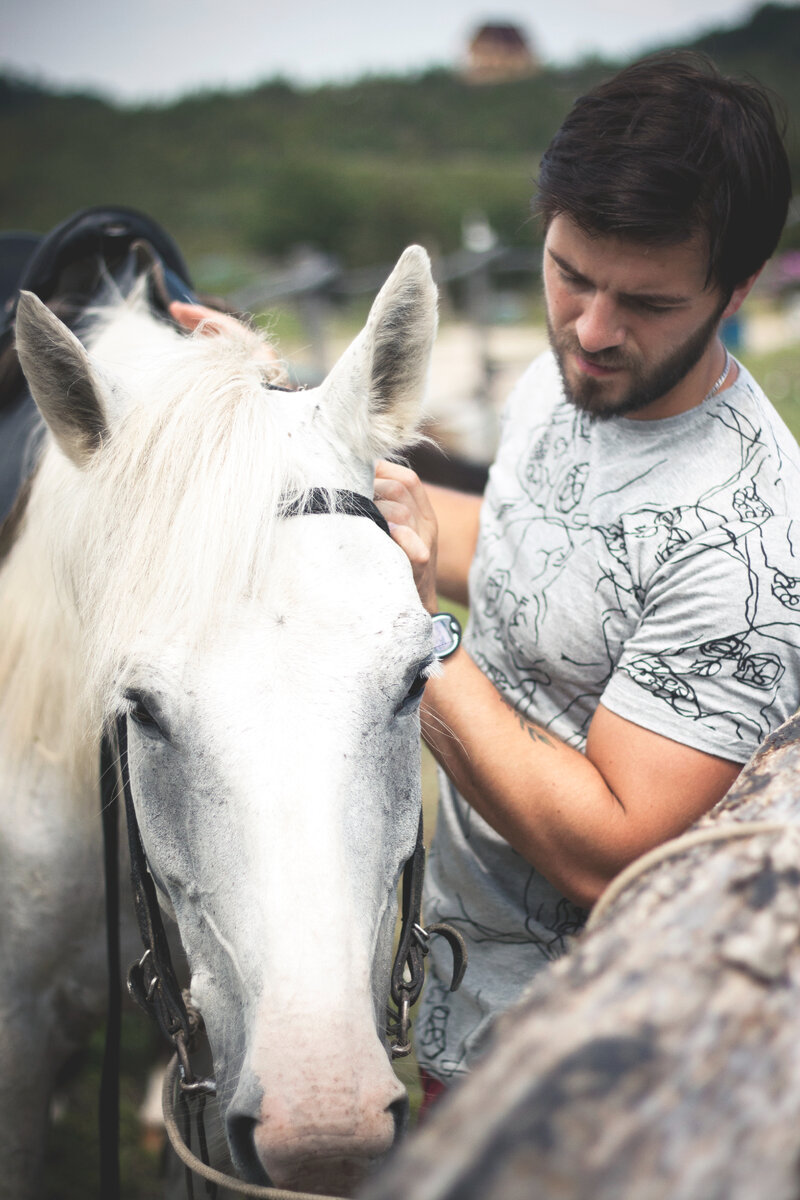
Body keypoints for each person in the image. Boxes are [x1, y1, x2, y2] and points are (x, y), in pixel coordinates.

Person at [372, 52, 799, 1102]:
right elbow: (524, 548)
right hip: (462, 977)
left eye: (645, 301)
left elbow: (608, 851)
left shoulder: (741, 540)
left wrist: (419, 639)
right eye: (569, 274)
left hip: (584, 1054)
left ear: (734, 291)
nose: (593, 331)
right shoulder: (564, 378)